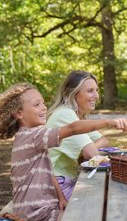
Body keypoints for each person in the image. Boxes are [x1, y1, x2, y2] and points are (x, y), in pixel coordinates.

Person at [0, 83, 127, 221]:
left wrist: (62, 197)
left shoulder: (31, 136)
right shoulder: (34, 137)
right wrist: (109, 122)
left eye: (43, 103)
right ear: (19, 113)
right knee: (91, 212)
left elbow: (49, 172)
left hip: (41, 207)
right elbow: (73, 128)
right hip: (35, 214)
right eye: (36, 105)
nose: (44, 108)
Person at [46, 70, 111, 199]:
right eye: (90, 91)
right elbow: (92, 154)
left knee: (107, 193)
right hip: (55, 186)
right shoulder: (64, 114)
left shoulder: (76, 116)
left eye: (96, 90)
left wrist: (89, 147)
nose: (97, 96)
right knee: (106, 197)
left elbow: (105, 141)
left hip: (64, 181)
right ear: (73, 93)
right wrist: (88, 149)